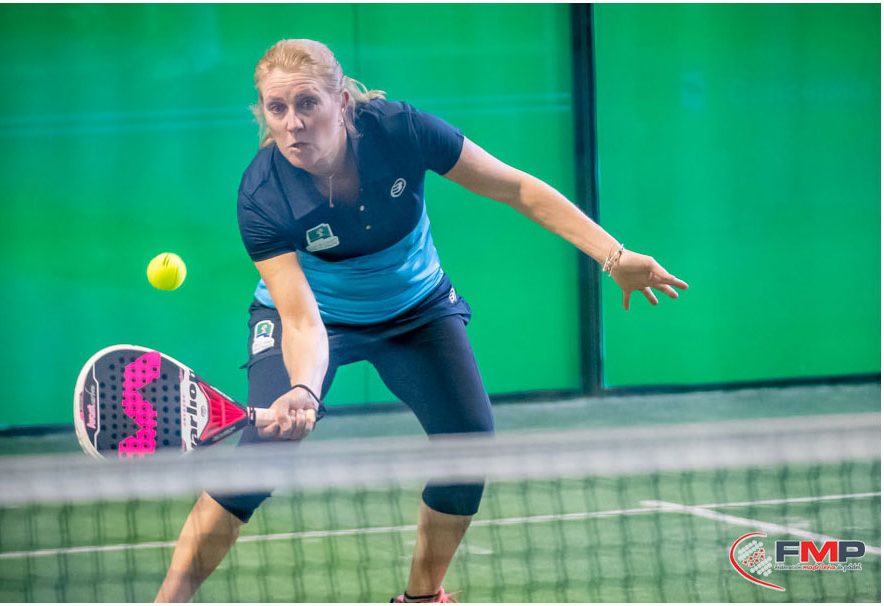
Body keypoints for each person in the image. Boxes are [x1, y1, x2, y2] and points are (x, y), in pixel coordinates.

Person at [154, 38, 688, 603]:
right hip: (318, 318)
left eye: (307, 103)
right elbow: (302, 319)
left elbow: (515, 187)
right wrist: (304, 390)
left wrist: (614, 256)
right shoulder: (263, 194)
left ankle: (421, 597)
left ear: (342, 102)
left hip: (416, 309)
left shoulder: (401, 131)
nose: (293, 123)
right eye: (277, 107)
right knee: (258, 463)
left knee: (469, 447)